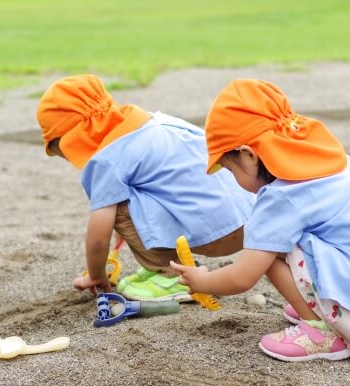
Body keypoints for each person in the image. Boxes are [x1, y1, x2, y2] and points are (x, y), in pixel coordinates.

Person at [171, 79, 350, 362]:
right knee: (293, 235)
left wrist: (203, 281)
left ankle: (322, 331)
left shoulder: (281, 198)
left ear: (249, 155)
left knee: (274, 244)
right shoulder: (334, 159)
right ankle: (321, 307)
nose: (233, 179)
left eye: (230, 170)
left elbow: (243, 278)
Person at [36, 75, 253, 301]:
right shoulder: (156, 122)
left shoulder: (106, 160)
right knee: (130, 194)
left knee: (114, 207)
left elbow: (98, 237)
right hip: (251, 219)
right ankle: (164, 268)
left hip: (216, 236)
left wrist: (96, 275)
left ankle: (171, 277)